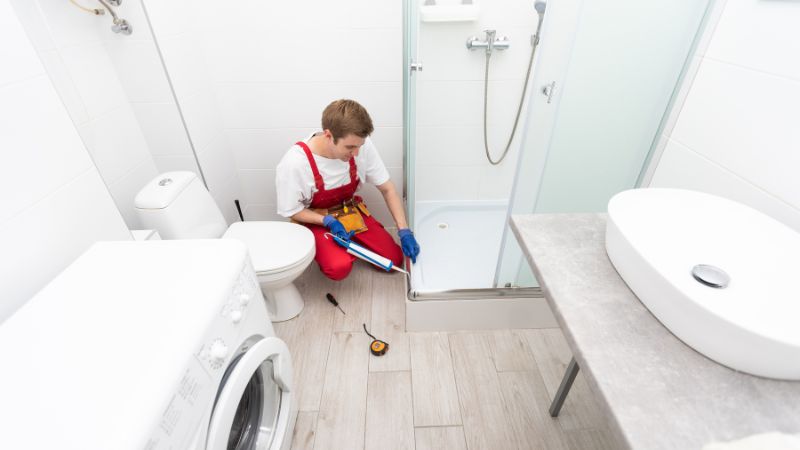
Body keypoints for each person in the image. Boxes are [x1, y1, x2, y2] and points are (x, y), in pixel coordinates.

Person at [275, 99, 420, 281]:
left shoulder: (359, 144)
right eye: (350, 147)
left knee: (393, 260)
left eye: (359, 146)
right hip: (318, 219)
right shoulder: (295, 163)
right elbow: (293, 211)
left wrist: (404, 231)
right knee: (339, 268)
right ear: (328, 136)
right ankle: (330, 247)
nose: (357, 153)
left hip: (349, 211)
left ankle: (346, 243)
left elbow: (388, 189)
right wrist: (327, 221)